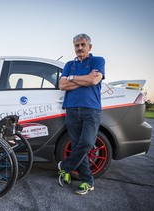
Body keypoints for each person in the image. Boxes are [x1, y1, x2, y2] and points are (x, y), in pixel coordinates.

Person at [58, 33, 105, 195]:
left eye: (82, 45)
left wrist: (72, 79)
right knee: (78, 144)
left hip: (91, 109)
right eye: (76, 45)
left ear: (89, 47)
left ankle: (66, 167)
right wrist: (83, 79)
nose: (79, 48)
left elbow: (93, 81)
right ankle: (87, 181)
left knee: (86, 143)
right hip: (71, 109)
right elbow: (62, 85)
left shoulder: (98, 61)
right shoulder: (69, 64)